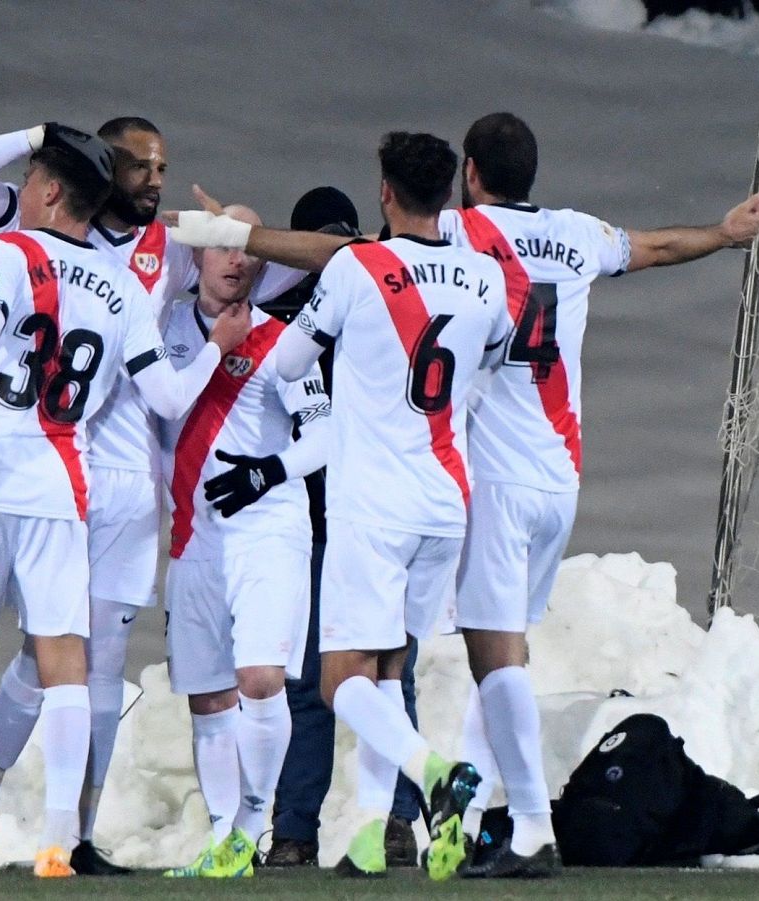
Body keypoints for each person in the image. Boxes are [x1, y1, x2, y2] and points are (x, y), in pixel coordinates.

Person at [0, 126, 250, 878]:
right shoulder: (125, 286)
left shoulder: (4, 251)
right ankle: (60, 842)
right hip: (62, 478)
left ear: (50, 191)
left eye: (30, 176)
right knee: (69, 660)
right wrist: (221, 346)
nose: (23, 188)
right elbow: (164, 393)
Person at [0, 117, 302, 874]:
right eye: (139, 166)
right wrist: (31, 134)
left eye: (162, 167)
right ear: (100, 172)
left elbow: (295, 269)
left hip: (126, 483)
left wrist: (240, 229)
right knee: (37, 664)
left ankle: (74, 833)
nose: (155, 180)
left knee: (92, 668)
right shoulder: (36, 231)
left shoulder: (168, 245)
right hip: (48, 469)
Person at [436, 113, 759, 878]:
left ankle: (517, 823)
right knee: (503, 646)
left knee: (496, 654)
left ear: (472, 169)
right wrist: (722, 233)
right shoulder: (576, 234)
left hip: (500, 476)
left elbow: (362, 260)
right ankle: (475, 809)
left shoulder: (458, 233)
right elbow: (654, 246)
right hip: (559, 478)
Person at [263, 131, 510, 881]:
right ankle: (373, 831)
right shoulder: (485, 277)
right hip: (444, 501)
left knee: (342, 678)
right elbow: (488, 361)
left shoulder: (356, 266)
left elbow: (287, 363)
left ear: (384, 192)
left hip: (373, 503)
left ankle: (432, 772)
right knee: (390, 666)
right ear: (448, 195)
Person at [155, 204, 330, 879]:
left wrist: (270, 469)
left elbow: (327, 431)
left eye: (247, 252)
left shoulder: (285, 340)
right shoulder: (161, 329)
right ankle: (223, 833)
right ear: (194, 257)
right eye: (221, 248)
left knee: (260, 679)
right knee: (208, 697)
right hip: (193, 534)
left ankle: (252, 826)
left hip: (269, 528)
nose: (235, 262)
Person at [260, 188, 426, 870]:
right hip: (341, 521)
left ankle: (377, 824)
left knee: (368, 677)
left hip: (358, 518)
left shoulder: (308, 318)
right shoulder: (300, 315)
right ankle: (320, 827)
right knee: (353, 678)